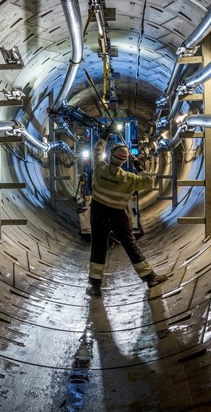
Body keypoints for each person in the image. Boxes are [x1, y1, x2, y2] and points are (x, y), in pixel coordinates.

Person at [86, 125, 168, 297]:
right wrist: (139, 166)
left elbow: (96, 151)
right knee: (130, 246)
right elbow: (147, 181)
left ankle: (95, 286)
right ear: (124, 161)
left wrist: (104, 136)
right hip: (117, 216)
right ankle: (149, 277)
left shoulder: (99, 168)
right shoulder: (128, 179)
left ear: (110, 156)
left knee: (98, 247)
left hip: (98, 213)